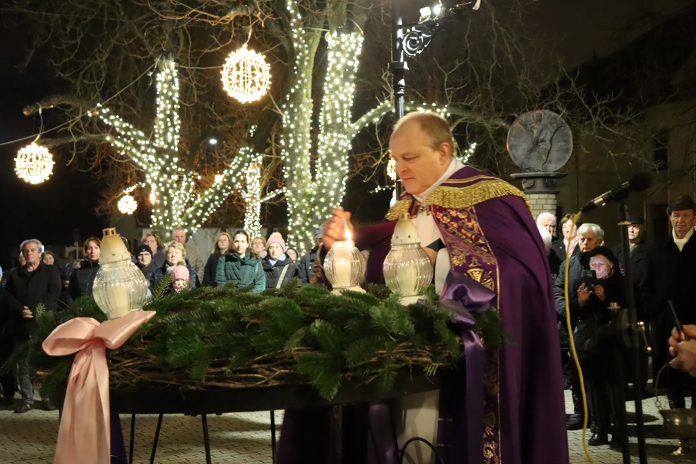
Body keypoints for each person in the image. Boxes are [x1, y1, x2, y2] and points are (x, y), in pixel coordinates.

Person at [278, 111, 568, 464]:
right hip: (398, 371)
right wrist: (342, 248)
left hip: (460, 372)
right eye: (396, 159)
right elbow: (368, 275)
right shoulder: (405, 211)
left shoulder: (495, 202)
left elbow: (517, 278)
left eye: (410, 157)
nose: (400, 168)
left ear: (443, 153)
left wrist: (441, 261)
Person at [641, 195, 696, 410]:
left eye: (685, 216)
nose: (680, 220)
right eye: (676, 216)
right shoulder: (656, 250)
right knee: (671, 377)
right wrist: (655, 310)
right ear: (669, 218)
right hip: (666, 324)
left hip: (694, 324)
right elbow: (645, 286)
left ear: (693, 219)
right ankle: (680, 429)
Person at [573, 246, 627, 447]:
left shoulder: (620, 283)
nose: (596, 268)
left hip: (612, 342)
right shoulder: (585, 283)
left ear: (610, 265)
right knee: (593, 386)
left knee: (613, 387)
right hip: (590, 343)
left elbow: (629, 305)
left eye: (600, 264)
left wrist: (605, 298)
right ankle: (599, 429)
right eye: (593, 265)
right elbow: (576, 311)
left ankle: (620, 432)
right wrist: (581, 301)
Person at [0, 239, 61, 413]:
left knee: (45, 364)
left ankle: (48, 398)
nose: (29, 254)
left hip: (43, 324)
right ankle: (27, 399)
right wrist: (20, 310)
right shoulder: (14, 275)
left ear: (40, 252)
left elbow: (54, 294)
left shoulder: (50, 271)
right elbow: (7, 297)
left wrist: (42, 312)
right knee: (23, 365)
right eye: (26, 251)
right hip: (22, 325)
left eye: (33, 250)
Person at [554, 222, 604, 430]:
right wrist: (574, 306)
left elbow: (619, 289)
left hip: (598, 328)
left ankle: (599, 418)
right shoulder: (568, 265)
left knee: (596, 376)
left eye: (589, 239)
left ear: (599, 242)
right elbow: (558, 292)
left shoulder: (604, 263)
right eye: (581, 238)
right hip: (572, 326)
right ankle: (579, 413)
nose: (584, 242)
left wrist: (602, 296)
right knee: (575, 374)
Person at [67, 237, 101, 302]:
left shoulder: (106, 269)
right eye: (89, 248)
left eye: (96, 248)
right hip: (82, 309)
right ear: (85, 251)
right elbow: (70, 292)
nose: (93, 251)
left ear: (101, 250)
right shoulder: (78, 271)